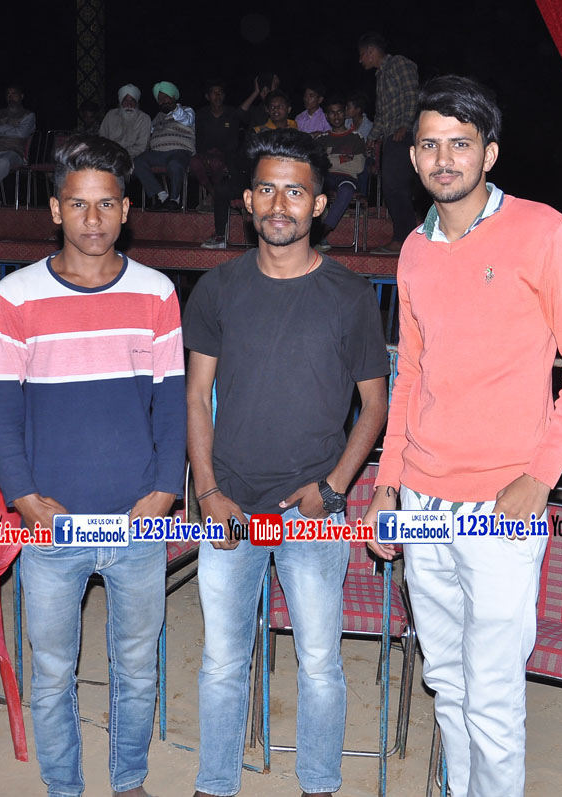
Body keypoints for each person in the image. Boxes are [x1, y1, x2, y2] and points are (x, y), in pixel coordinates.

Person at [362, 75, 562, 797]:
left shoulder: (543, 231)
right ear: (413, 156)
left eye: (460, 144)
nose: (444, 159)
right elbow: (411, 376)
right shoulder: (414, 249)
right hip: (421, 501)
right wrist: (386, 485)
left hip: (503, 505)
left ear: (489, 153)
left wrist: (539, 476)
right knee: (447, 682)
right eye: (430, 145)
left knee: (493, 695)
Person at [184, 128, 390, 797]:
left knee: (321, 663)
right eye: (267, 190)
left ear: (319, 204)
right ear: (246, 201)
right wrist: (208, 492)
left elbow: (375, 404)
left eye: (295, 192)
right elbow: (197, 396)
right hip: (230, 509)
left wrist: (332, 489)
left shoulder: (349, 295)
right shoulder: (217, 289)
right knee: (222, 663)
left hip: (312, 515)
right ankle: (215, 784)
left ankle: (319, 784)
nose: (280, 204)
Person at [0, 135, 186, 797]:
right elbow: (0, 410)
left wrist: (164, 491)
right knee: (51, 673)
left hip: (138, 522)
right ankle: (63, 786)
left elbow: (172, 405)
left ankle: (128, 781)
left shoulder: (157, 293)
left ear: (126, 209)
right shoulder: (16, 295)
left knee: (137, 669)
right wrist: (25, 498)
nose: (92, 219)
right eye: (77, 204)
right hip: (52, 525)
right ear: (55, 209)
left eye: (106, 204)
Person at [357, 32, 418, 253]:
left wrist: (405, 125)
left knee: (396, 185)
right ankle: (404, 237)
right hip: (391, 136)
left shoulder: (399, 64)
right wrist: (372, 137)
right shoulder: (380, 75)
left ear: (371, 51)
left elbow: (412, 95)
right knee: (391, 186)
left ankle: (404, 238)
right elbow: (382, 114)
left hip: (403, 134)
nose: (360, 60)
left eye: (362, 55)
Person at [313, 97, 367, 251]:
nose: (336, 116)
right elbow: (318, 164)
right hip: (326, 177)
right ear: (326, 116)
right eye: (332, 113)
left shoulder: (356, 138)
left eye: (339, 112)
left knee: (347, 190)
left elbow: (358, 166)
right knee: (315, 188)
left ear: (345, 114)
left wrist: (330, 158)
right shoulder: (322, 139)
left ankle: (321, 233)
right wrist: (344, 159)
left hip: (347, 178)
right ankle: (317, 235)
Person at [135, 81, 196, 211]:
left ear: (173, 97)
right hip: (157, 153)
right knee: (138, 161)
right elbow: (149, 131)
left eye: (165, 97)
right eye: (160, 99)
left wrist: (174, 108)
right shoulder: (158, 116)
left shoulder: (187, 110)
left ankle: (174, 200)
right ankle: (162, 196)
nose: (162, 101)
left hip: (180, 151)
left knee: (174, 164)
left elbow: (186, 120)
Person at [191, 79, 247, 212]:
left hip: (226, 155)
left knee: (216, 163)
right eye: (214, 93)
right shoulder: (201, 114)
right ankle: (214, 194)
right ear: (207, 96)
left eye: (220, 93)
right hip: (206, 154)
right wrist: (205, 153)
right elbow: (199, 139)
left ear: (224, 95)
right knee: (194, 162)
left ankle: (213, 198)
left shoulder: (231, 113)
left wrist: (220, 152)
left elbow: (234, 140)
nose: (217, 96)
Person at [99, 84, 152, 159]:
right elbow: (102, 138)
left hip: (135, 157)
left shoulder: (144, 118)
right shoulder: (110, 115)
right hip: (110, 156)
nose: (129, 105)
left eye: (132, 101)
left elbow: (142, 147)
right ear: (121, 102)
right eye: (126, 101)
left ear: (136, 102)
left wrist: (121, 154)